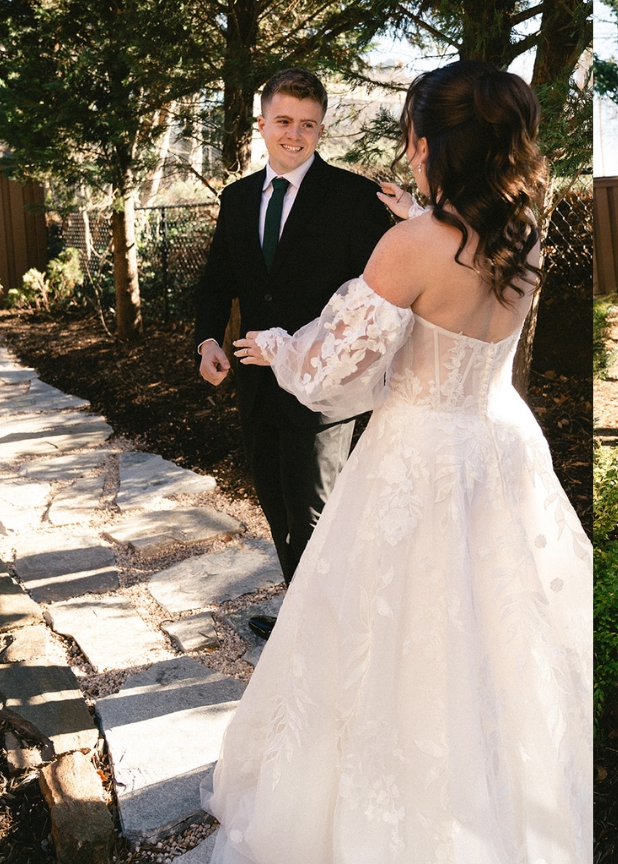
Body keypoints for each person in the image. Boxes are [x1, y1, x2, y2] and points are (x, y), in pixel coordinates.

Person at [202, 61, 592, 862]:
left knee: (389, 635)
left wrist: (276, 345)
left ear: (427, 144)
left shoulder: (410, 244)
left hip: (417, 453)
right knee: (491, 632)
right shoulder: (523, 234)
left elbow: (332, 374)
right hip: (496, 444)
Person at [192, 68, 393, 637]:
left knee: (316, 514)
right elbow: (215, 282)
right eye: (283, 121)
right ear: (262, 125)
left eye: (308, 125)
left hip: (329, 390)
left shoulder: (355, 198)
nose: (295, 134)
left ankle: (330, 638)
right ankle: (303, 621)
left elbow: (380, 296)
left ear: (321, 130)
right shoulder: (235, 200)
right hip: (256, 383)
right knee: (277, 509)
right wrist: (208, 339)